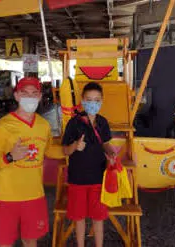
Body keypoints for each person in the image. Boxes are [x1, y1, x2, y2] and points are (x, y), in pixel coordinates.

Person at [0, 77, 52, 247]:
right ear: (16, 96)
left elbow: (50, 151)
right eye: (24, 93)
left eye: (34, 93)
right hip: (8, 198)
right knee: (5, 243)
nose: (30, 97)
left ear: (39, 97)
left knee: (30, 240)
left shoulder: (44, 125)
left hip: (35, 195)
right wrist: (10, 156)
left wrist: (72, 148)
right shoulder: (1, 126)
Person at [62, 82, 116, 247]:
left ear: (101, 101)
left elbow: (105, 143)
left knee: (98, 218)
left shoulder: (103, 122)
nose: (92, 103)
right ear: (82, 100)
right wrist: (75, 146)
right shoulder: (74, 122)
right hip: (77, 179)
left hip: (98, 178)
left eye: (96, 100)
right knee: (79, 218)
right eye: (89, 99)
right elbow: (65, 150)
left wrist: (111, 153)